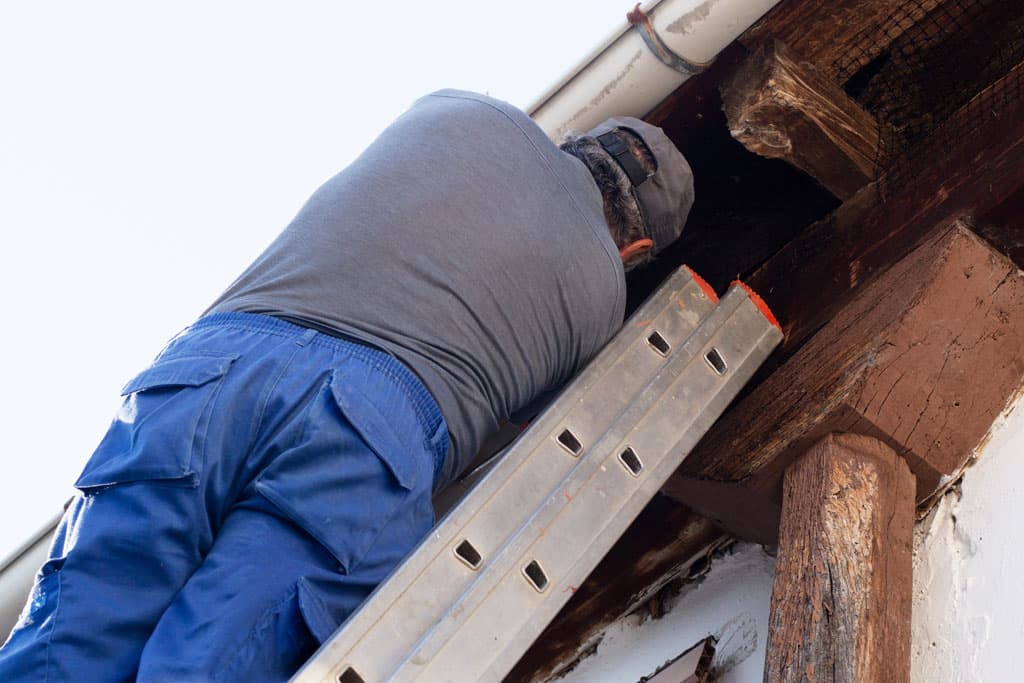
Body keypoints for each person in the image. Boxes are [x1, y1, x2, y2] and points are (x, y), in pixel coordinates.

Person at [0, 89, 693, 681]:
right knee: (205, 661)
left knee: (71, 640)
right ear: (635, 249)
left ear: (576, 143)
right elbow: (522, 436)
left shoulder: (459, 109)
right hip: (367, 425)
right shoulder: (603, 293)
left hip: (205, 373)